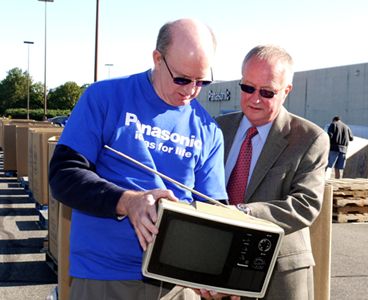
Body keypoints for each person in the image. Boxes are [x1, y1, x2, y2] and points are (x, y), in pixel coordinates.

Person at [49, 18, 229, 300]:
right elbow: (64, 176)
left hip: (176, 285)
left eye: (202, 81)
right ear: (158, 59)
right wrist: (128, 201)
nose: (191, 91)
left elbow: (215, 211)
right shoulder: (104, 98)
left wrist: (213, 273)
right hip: (105, 276)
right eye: (182, 78)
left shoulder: (208, 130)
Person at [216, 45, 330, 300]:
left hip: (277, 277)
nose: (254, 98)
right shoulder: (218, 129)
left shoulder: (310, 138)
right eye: (247, 87)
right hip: (215, 266)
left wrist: (244, 213)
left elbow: (305, 205)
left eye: (267, 92)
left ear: (286, 91)